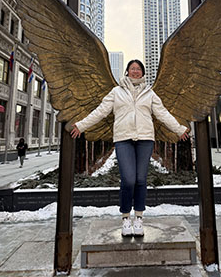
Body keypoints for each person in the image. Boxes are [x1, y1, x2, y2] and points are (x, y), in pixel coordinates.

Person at [71, 59, 189, 237]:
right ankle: (126, 218)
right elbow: (101, 111)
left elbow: (162, 113)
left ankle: (139, 217)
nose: (135, 71)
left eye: (138, 69)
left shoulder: (149, 93)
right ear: (127, 71)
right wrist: (81, 125)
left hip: (145, 140)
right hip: (123, 140)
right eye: (132, 69)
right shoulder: (116, 92)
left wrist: (179, 129)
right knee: (128, 179)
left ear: (142, 73)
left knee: (141, 179)